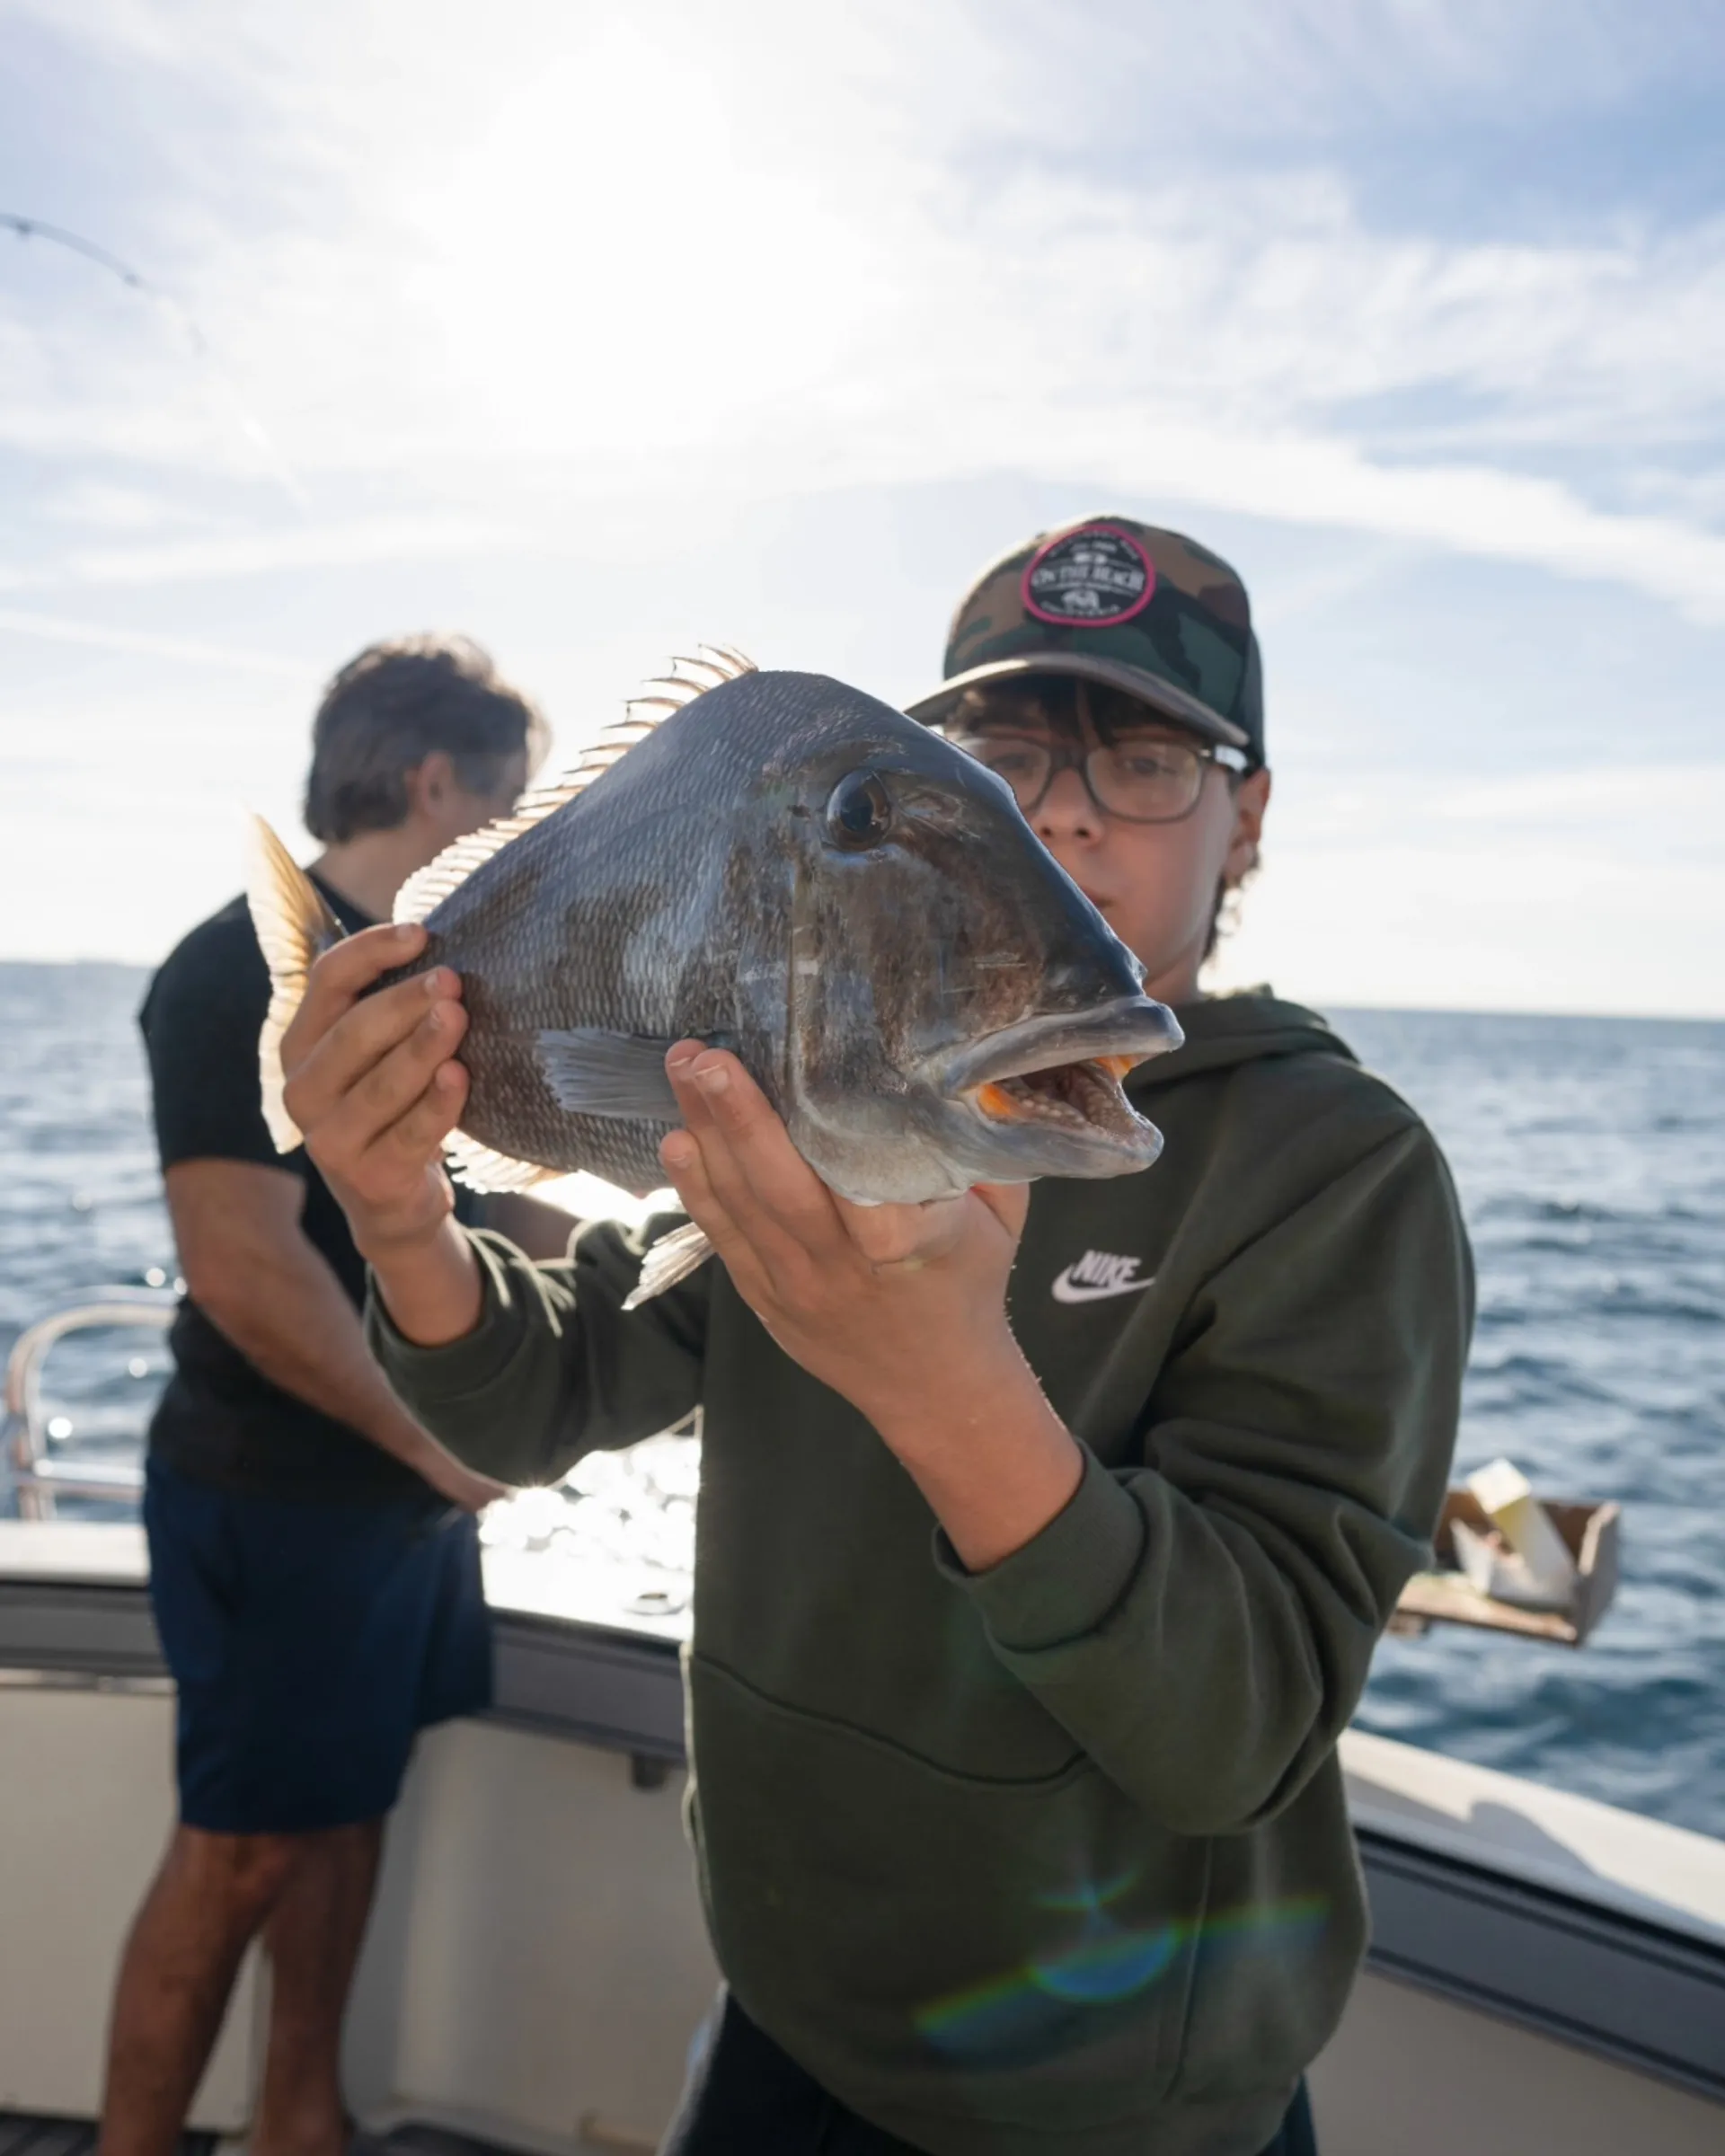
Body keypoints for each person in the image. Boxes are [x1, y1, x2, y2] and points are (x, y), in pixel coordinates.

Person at [279, 519, 1473, 2156]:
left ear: (1243, 815)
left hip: (1123, 2106)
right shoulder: (806, 1107)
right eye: (1001, 752)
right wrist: (401, 1212)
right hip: (781, 2012)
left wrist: (950, 1387)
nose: (1063, 804)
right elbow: (539, 1400)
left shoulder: (1332, 1167)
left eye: (1142, 758)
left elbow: (1242, 1727)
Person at [101, 635, 566, 2156]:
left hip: (407, 1500)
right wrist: (435, 1436)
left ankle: (305, 2120)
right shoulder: (241, 965)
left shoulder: (442, 975)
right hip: (273, 1493)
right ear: (438, 785)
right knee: (237, 1851)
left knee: (350, 1810)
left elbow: (507, 1218)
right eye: (510, 803)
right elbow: (242, 1263)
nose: (523, 835)